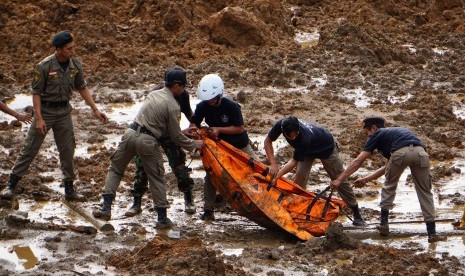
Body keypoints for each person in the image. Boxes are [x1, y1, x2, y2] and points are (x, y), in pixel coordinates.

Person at [0, 30, 108, 201]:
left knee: (67, 149)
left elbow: (82, 87)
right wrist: (39, 118)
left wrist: (95, 109)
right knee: (30, 148)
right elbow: (36, 92)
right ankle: (11, 185)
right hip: (46, 111)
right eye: (69, 49)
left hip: (64, 112)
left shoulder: (75, 65)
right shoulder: (44, 66)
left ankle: (69, 189)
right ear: (58, 49)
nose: (73, 52)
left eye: (73, 48)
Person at [93, 68, 204, 229]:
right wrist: (194, 144)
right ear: (176, 86)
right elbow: (176, 136)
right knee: (155, 175)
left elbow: (175, 121)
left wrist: (193, 127)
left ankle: (106, 206)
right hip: (150, 139)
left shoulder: (153, 94)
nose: (185, 89)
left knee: (116, 168)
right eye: (183, 86)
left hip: (130, 133)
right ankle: (162, 218)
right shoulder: (173, 104)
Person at [331, 116, 447, 243]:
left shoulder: (377, 134)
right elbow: (389, 165)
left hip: (400, 154)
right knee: (425, 191)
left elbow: (359, 160)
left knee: (389, 186)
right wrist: (366, 179)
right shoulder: (395, 134)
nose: (367, 137)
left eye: (367, 133)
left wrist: (339, 180)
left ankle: (384, 225)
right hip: (421, 154)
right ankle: (432, 233)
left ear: (373, 128)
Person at [264, 116, 365, 226]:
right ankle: (296, 210)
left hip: (326, 147)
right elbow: (267, 141)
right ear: (283, 132)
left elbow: (294, 162)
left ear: (298, 129)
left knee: (339, 179)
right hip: (307, 151)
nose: (293, 139)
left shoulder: (304, 138)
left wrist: (277, 176)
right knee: (299, 180)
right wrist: (273, 164)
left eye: (295, 135)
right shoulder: (281, 125)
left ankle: (356, 212)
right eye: (290, 137)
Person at [125, 79, 197, 217]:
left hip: (171, 134)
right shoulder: (156, 93)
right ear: (174, 86)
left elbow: (189, 113)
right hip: (151, 134)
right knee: (142, 167)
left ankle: (188, 199)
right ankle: (136, 202)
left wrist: (195, 126)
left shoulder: (183, 95)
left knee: (179, 165)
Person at [189, 73, 256, 221]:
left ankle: (261, 200)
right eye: (207, 100)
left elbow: (239, 128)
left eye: (212, 99)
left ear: (220, 95)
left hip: (239, 145)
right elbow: (194, 122)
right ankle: (208, 210)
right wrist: (194, 129)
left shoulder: (232, 107)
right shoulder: (202, 106)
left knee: (255, 171)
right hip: (218, 148)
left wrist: (219, 129)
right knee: (211, 175)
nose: (210, 102)